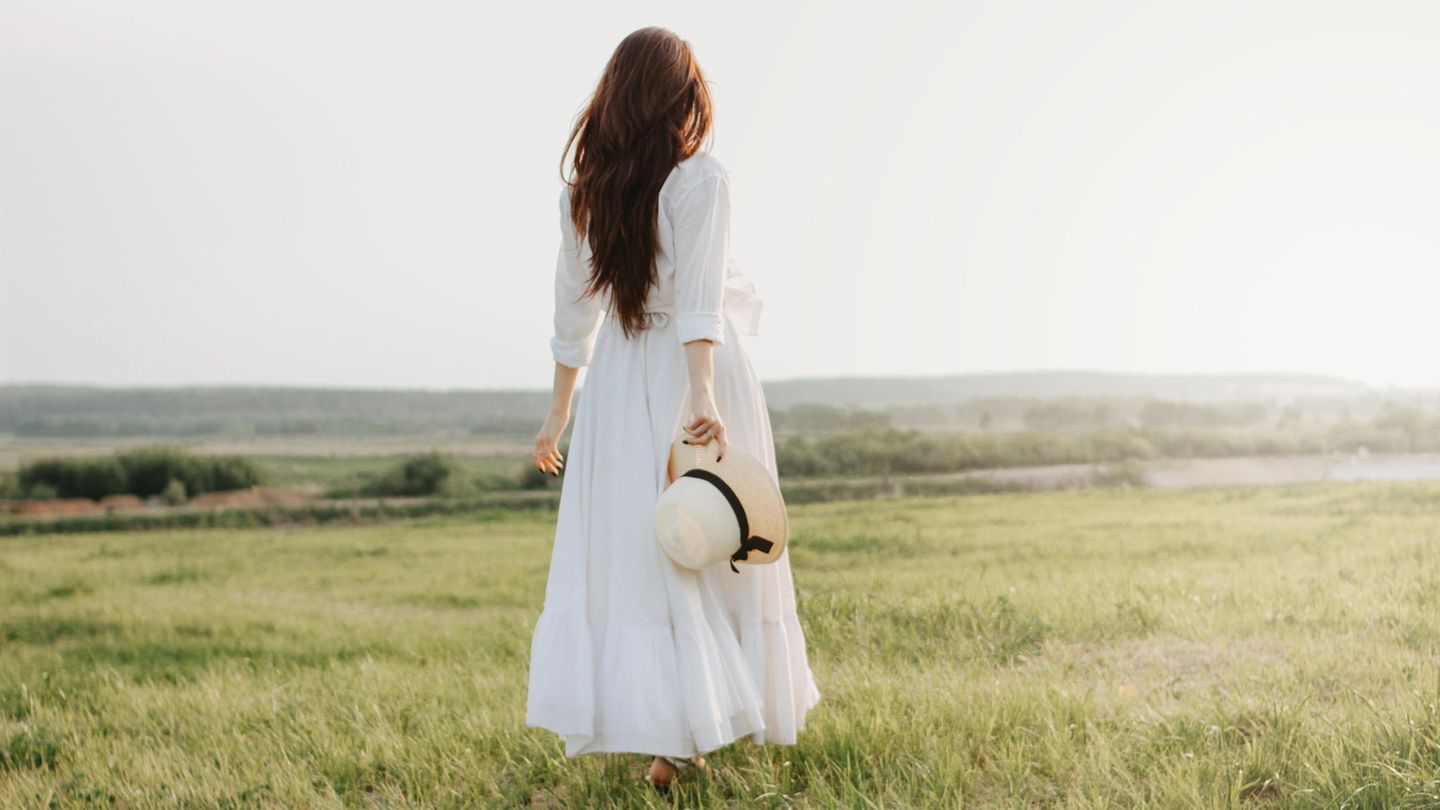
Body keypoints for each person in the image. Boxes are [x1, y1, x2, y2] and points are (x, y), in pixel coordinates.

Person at [524, 25, 821, 794]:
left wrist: (560, 412)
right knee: (713, 536)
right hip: (696, 368)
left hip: (621, 379)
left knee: (650, 553)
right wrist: (702, 393)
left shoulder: (586, 189)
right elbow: (698, 302)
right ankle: (691, 732)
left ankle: (676, 735)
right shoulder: (699, 180)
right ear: (679, 97)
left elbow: (572, 313)